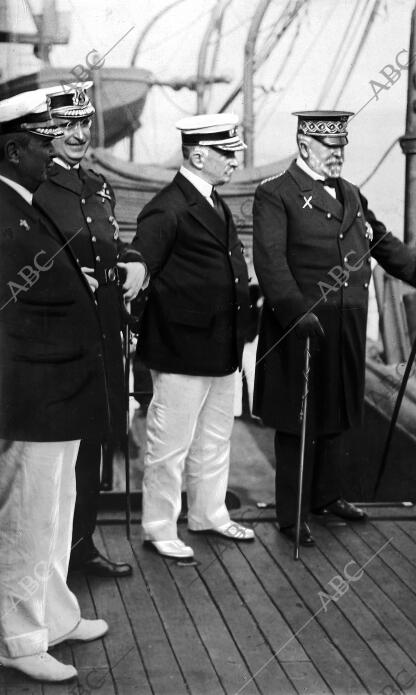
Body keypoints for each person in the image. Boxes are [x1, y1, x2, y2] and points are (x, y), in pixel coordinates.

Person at [252, 110, 416, 546]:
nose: (339, 155)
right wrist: (296, 312)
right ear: (304, 146)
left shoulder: (350, 193)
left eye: (342, 147)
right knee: (299, 418)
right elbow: (270, 262)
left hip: (347, 319)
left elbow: (384, 245)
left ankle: (328, 496)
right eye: (331, 148)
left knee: (337, 409)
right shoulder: (277, 194)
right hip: (302, 324)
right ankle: (291, 513)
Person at [0, 89, 109, 682]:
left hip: (61, 394)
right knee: (25, 519)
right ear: (14, 150)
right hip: (32, 397)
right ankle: (17, 640)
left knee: (55, 510)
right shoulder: (3, 208)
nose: (51, 154)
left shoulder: (25, 201)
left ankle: (54, 614)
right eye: (42, 145)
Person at [34, 83, 147, 578]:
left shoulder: (98, 186)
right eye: (66, 125)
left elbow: (110, 245)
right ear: (44, 131)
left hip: (101, 337)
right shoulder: (30, 186)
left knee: (92, 445)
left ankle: (80, 546)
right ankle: (46, 559)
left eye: (84, 123)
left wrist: (136, 263)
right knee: (51, 456)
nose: (78, 133)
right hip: (53, 343)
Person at [131, 114, 253, 559]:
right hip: (182, 349)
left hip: (222, 347)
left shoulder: (212, 202)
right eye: (227, 153)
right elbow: (141, 261)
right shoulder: (168, 207)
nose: (234, 161)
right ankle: (159, 526)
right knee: (170, 445)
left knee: (215, 438)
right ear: (198, 154)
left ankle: (208, 513)